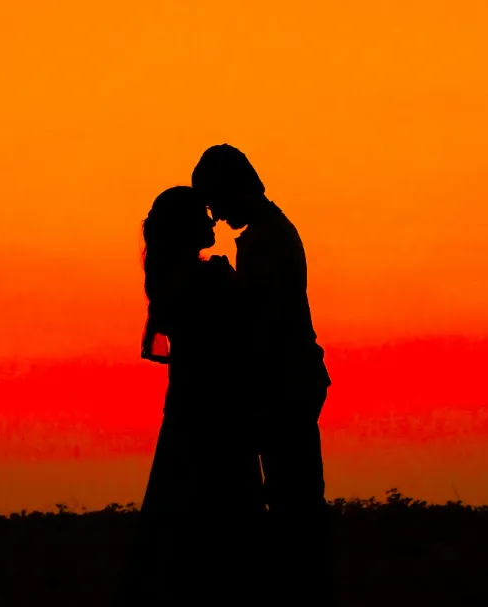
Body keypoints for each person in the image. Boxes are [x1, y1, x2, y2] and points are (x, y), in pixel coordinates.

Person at [192, 144, 334, 604]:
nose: (213, 215)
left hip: (285, 385)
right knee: (293, 497)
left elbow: (262, 320)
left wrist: (223, 290)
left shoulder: (266, 240)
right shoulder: (267, 234)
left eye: (215, 201)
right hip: (290, 380)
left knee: (294, 501)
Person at [124, 186, 265, 606]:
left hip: (190, 412)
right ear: (185, 228)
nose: (212, 221)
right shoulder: (202, 283)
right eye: (203, 214)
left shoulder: (174, 282)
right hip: (214, 419)